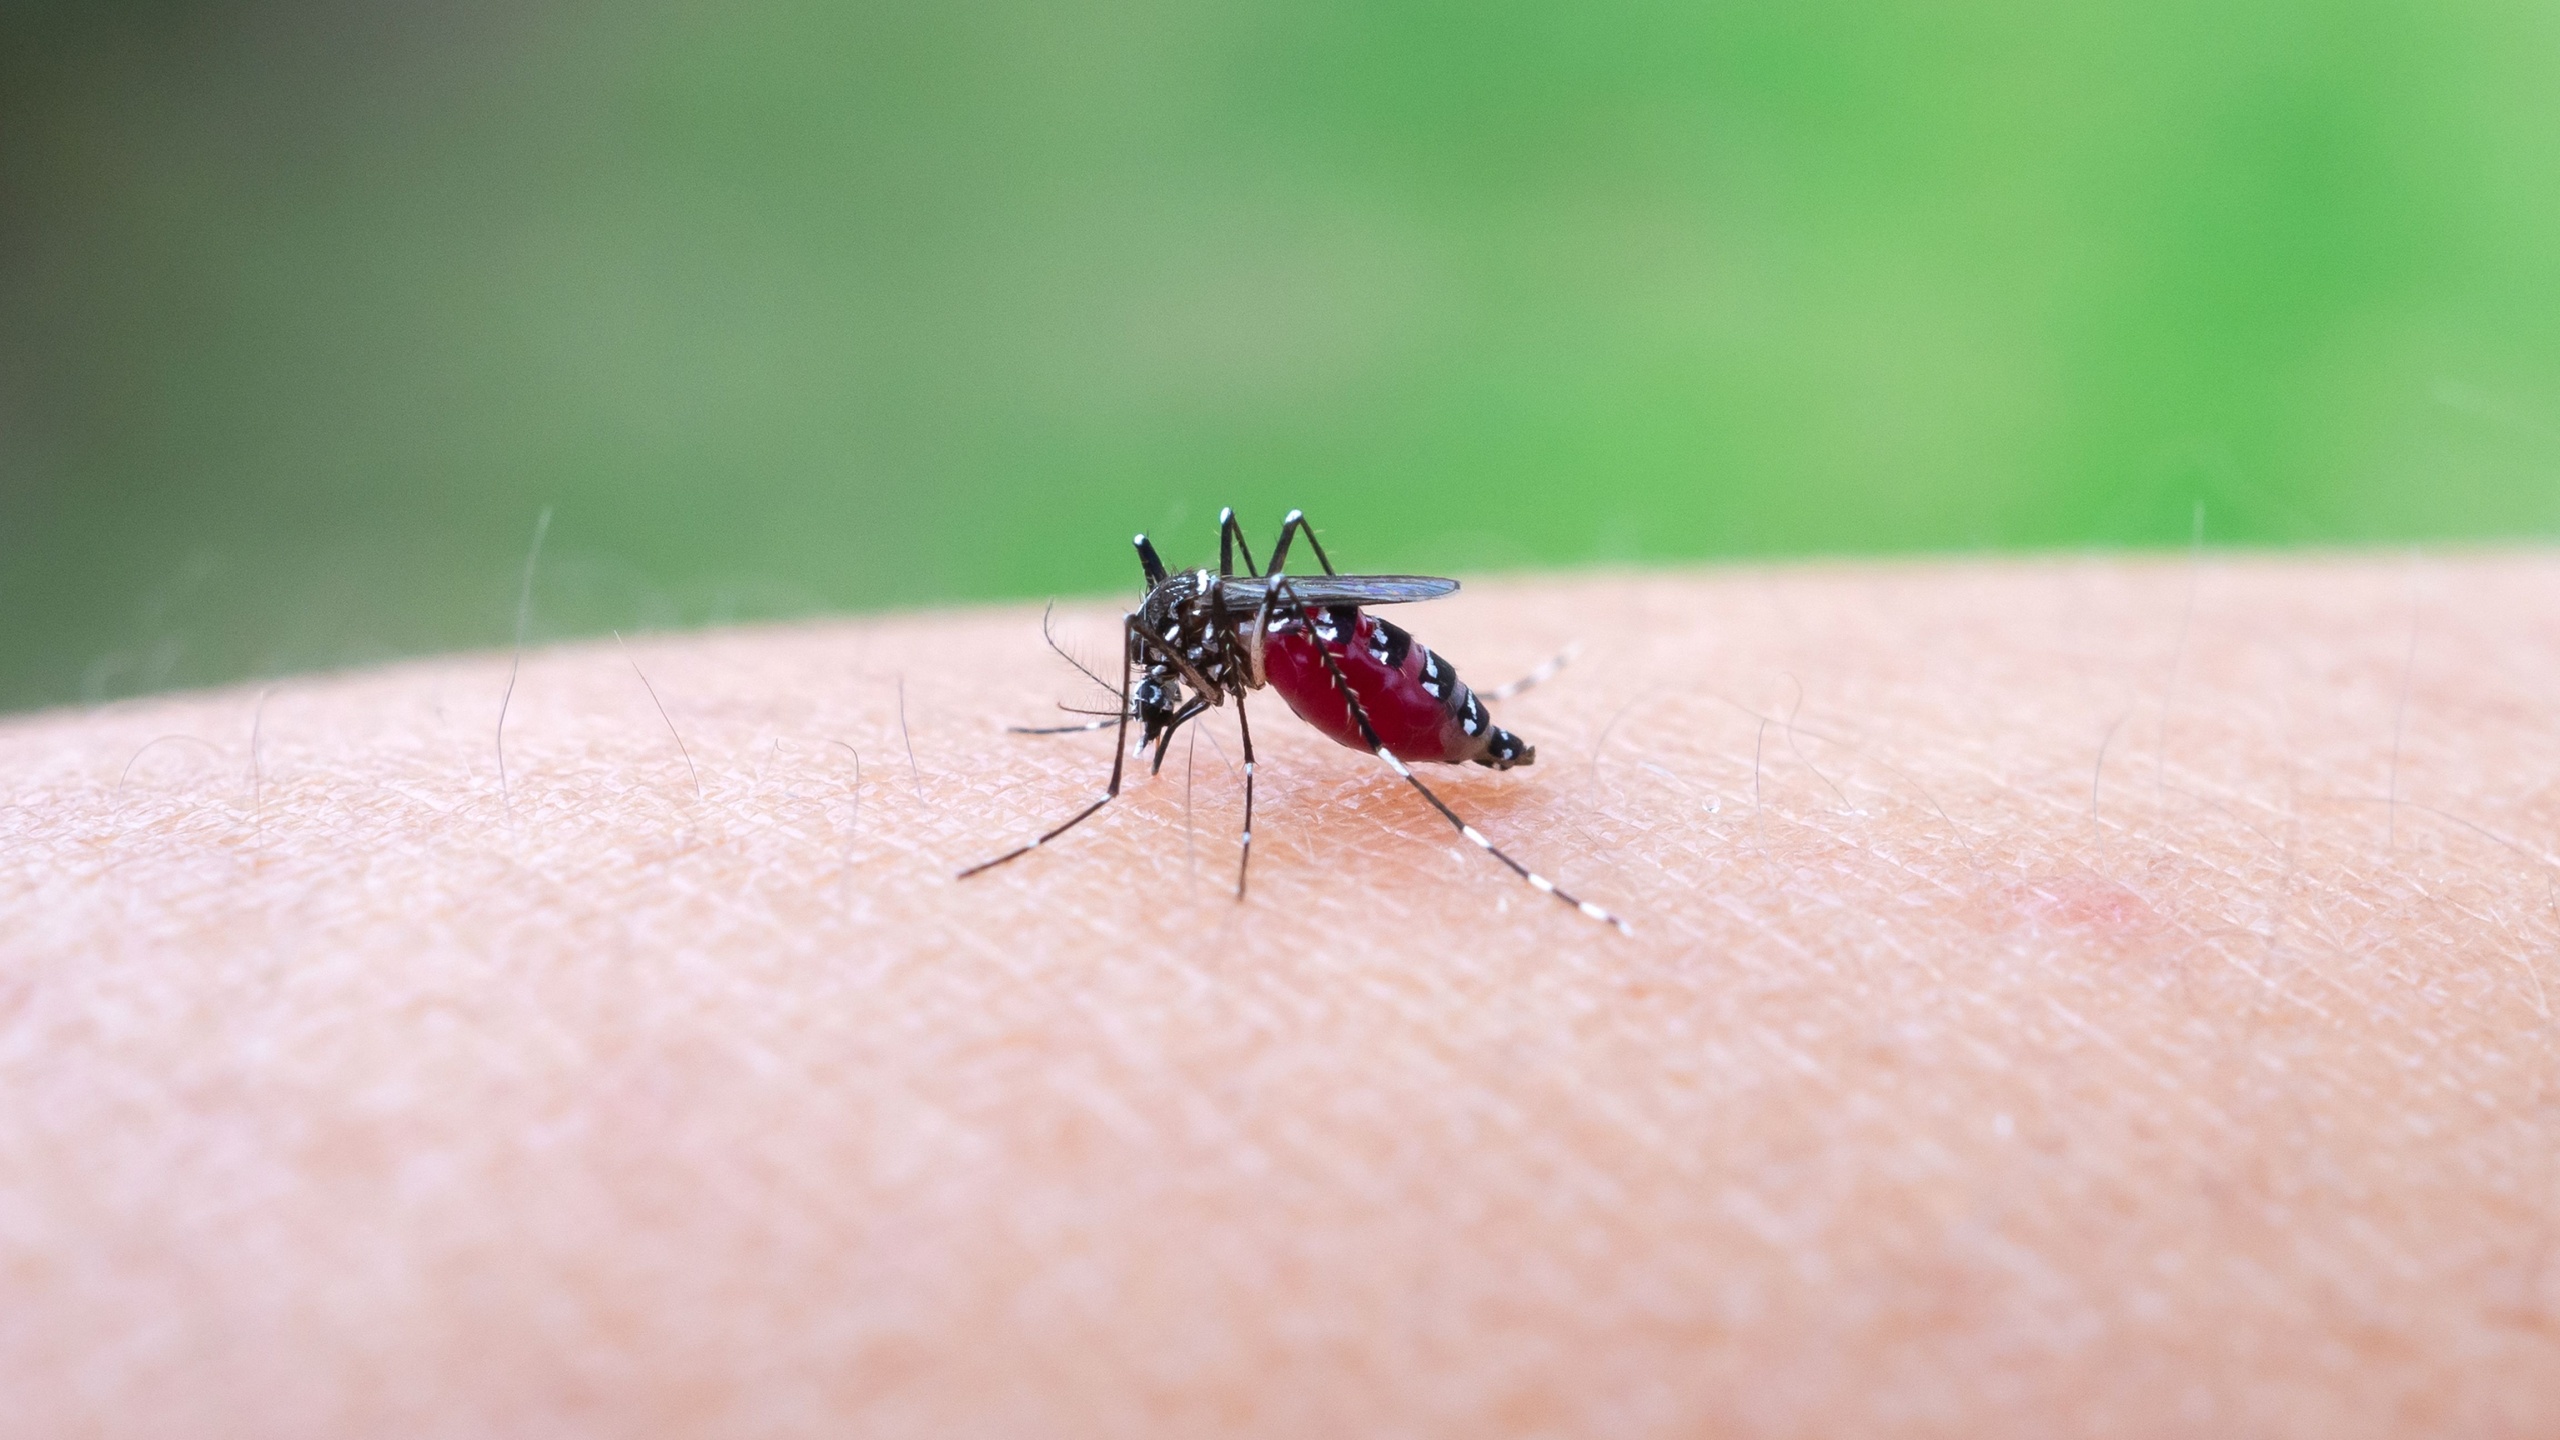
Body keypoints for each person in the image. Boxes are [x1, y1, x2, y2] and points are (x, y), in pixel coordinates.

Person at [7, 553, 2554, 1435]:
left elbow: (1251, 641)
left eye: (1149, 697)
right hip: (1322, 657)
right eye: (1164, 692)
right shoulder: (1190, 629)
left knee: (1316, 668)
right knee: (1271, 625)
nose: (1157, 688)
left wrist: (1317, 744)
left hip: (1365, 684)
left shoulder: (1258, 661)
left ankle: (1448, 788)